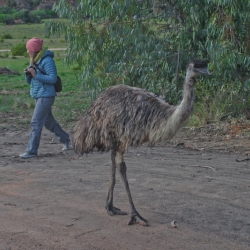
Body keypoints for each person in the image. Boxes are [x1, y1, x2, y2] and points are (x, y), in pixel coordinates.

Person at [19, 37, 70, 159]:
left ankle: (31, 151)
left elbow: (52, 79)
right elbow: (30, 81)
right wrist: (28, 74)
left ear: (33, 49)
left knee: (35, 123)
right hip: (38, 94)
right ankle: (66, 140)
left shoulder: (47, 61)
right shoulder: (34, 60)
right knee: (48, 122)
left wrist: (36, 74)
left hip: (46, 95)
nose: (27, 51)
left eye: (28, 49)